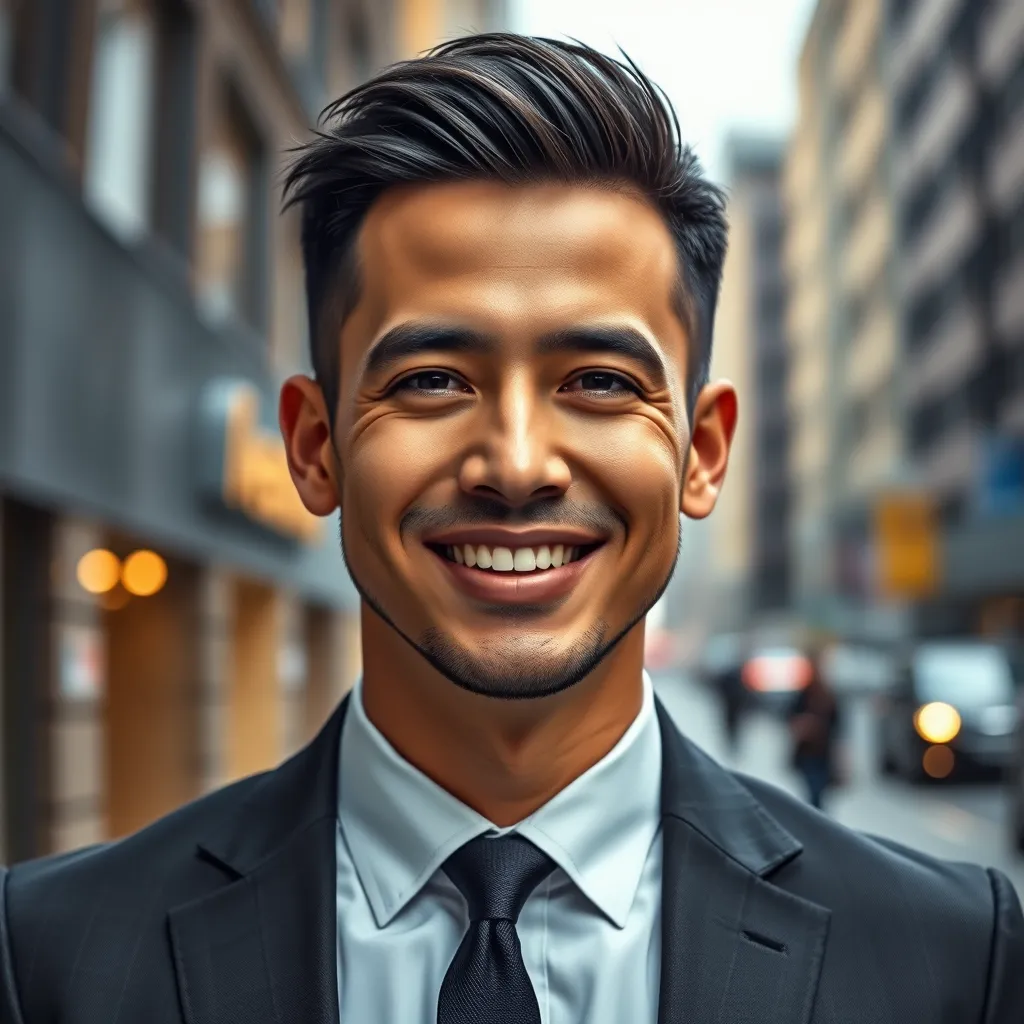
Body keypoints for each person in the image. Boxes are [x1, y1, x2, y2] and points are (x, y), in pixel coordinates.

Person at [1, 33, 1021, 1024]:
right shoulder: (50, 956)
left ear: (702, 452)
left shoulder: (952, 960)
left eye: (599, 382)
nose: (518, 465)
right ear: (314, 446)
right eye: (433, 379)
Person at [788, 647, 842, 811]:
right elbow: (790, 717)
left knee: (819, 794)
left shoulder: (829, 695)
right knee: (813, 793)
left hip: (824, 752)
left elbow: (838, 727)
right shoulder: (804, 694)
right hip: (808, 751)